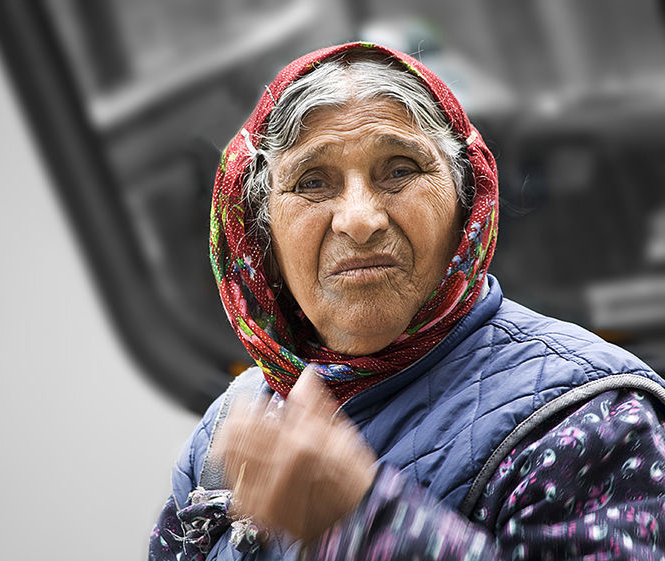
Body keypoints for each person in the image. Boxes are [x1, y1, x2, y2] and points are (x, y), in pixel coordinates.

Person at [149, 43, 665, 561]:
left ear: (466, 204)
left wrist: (361, 523)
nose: (359, 219)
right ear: (262, 238)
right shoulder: (226, 433)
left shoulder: (591, 417)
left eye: (399, 170)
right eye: (312, 182)